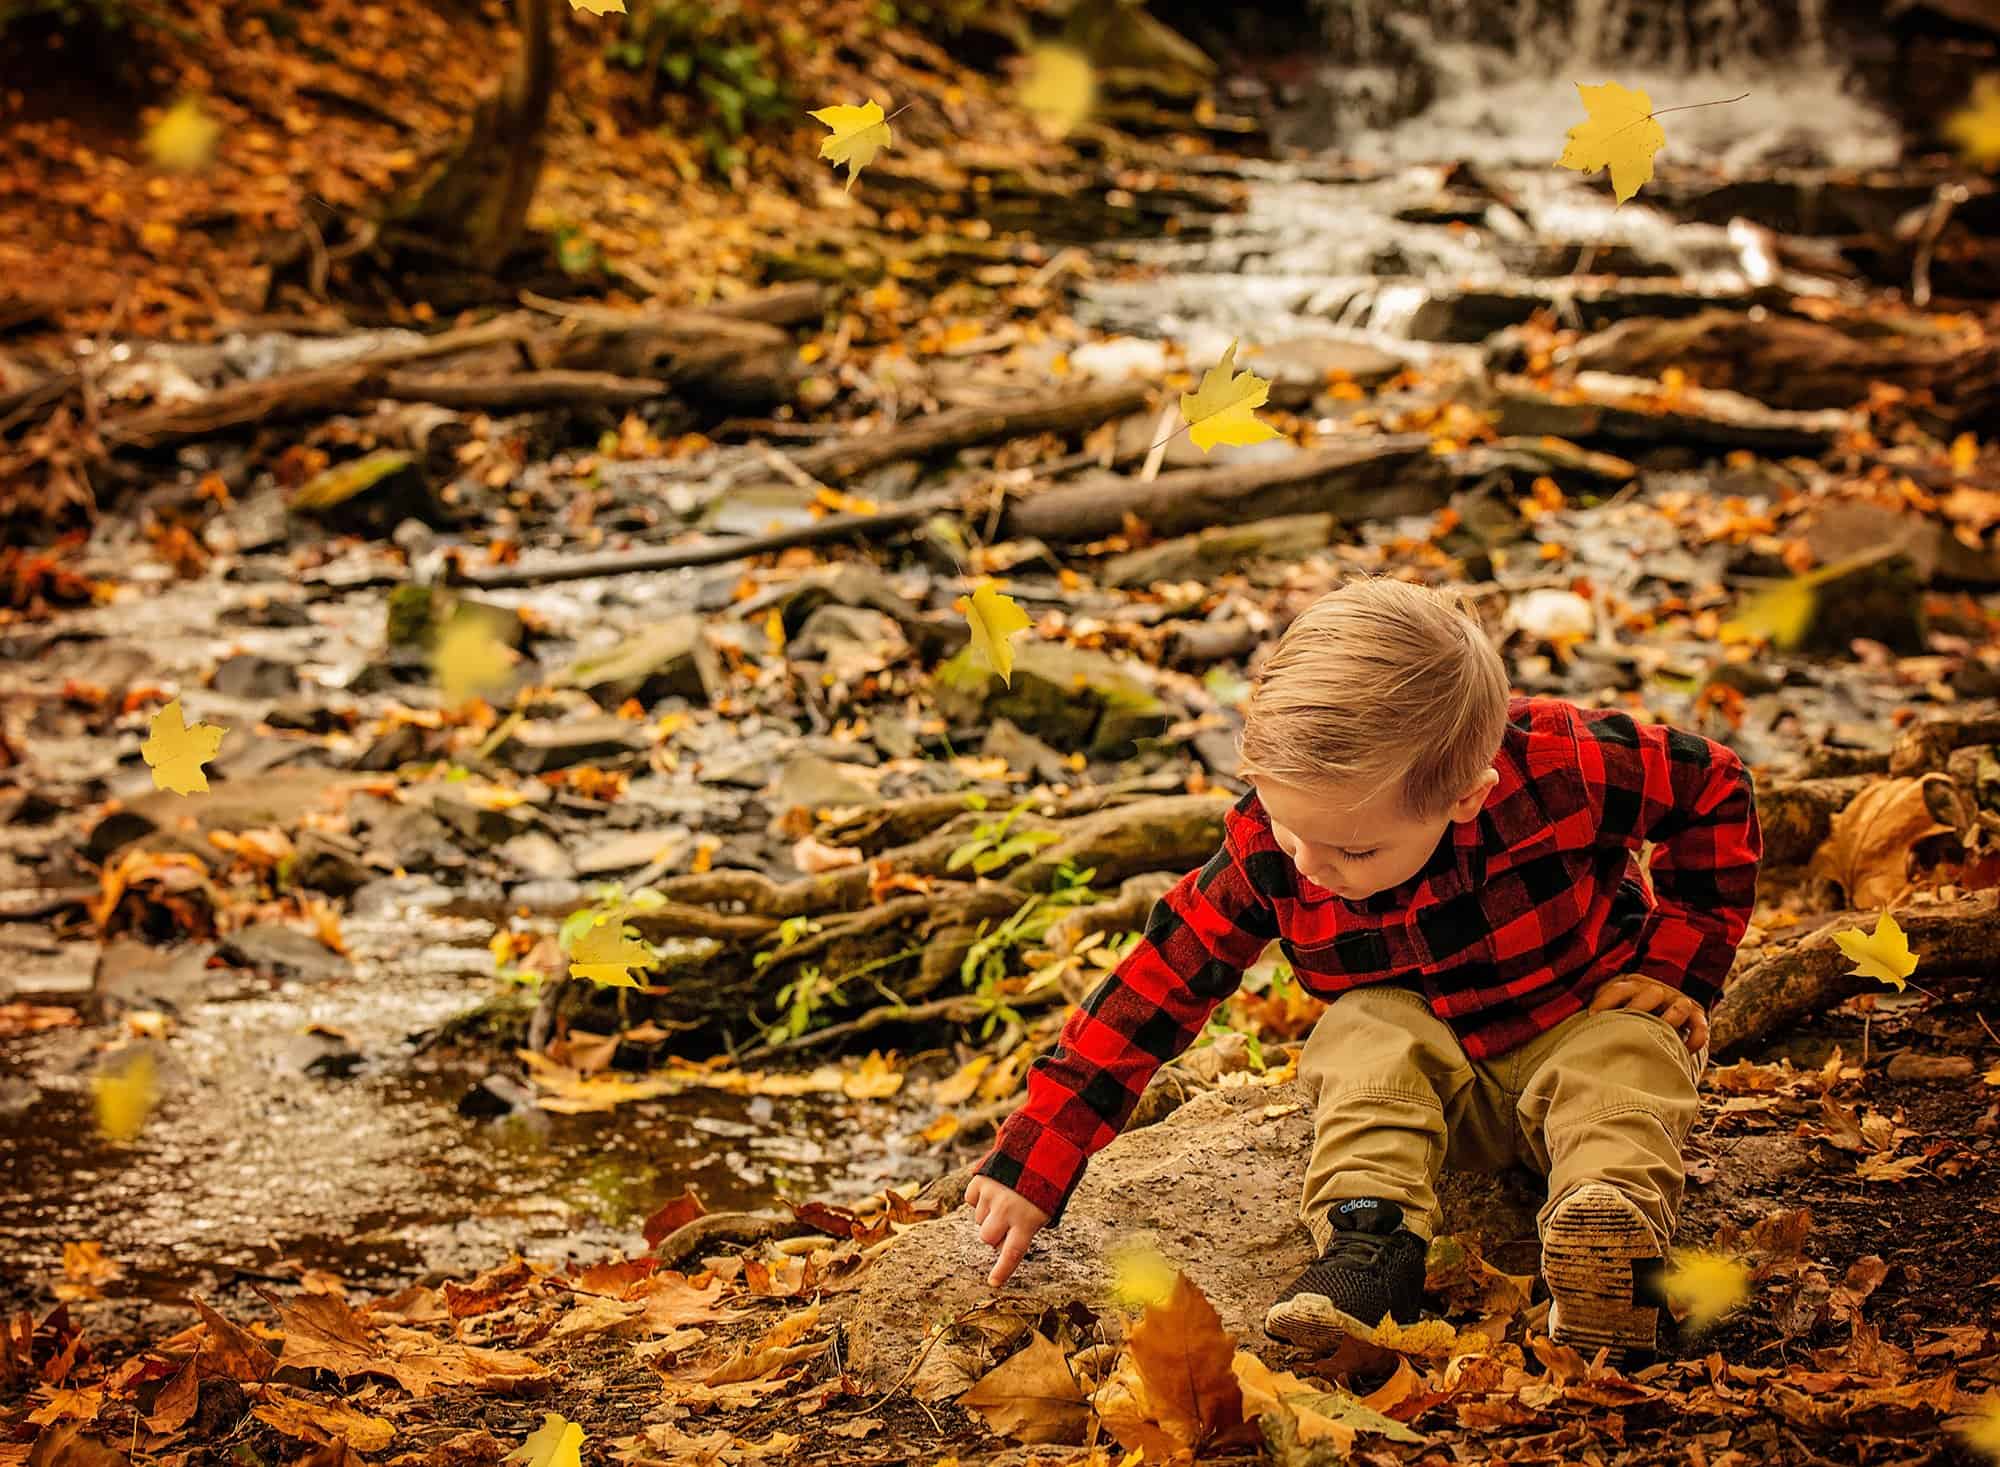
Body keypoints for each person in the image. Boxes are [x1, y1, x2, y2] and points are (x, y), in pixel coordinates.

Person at [963, 577, 1762, 1357]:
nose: (1309, 865)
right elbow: (1155, 985)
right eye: (1288, 828)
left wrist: (1678, 964)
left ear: (1467, 795)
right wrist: (1036, 1159)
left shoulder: (1563, 766)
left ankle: (1608, 1245)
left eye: (1353, 849)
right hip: (1427, 1079)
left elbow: (1714, 786)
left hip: (1580, 1018)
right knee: (1363, 1033)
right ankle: (1370, 1249)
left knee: (1632, 1056)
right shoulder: (1273, 847)